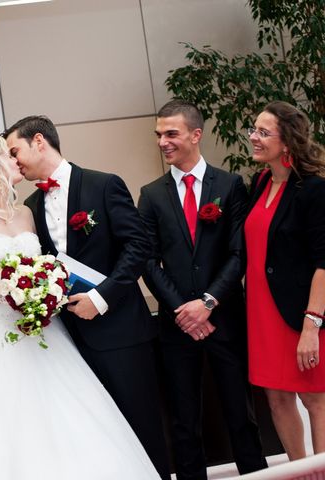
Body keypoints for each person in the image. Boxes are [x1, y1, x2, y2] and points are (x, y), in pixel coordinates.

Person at [0, 133, 160, 479]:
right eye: (8, 156)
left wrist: (42, 289)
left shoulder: (25, 213)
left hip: (43, 335)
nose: (16, 161)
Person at [4, 116, 170, 479]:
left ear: (39, 141)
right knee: (100, 442)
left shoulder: (103, 184)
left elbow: (139, 246)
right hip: (71, 344)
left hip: (122, 334)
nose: (14, 163)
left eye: (15, 152)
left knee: (142, 430)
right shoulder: (30, 206)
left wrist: (102, 296)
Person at [137, 100, 267, 479]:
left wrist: (208, 302)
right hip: (178, 327)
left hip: (224, 318)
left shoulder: (230, 186)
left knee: (241, 416)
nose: (163, 141)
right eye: (159, 135)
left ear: (196, 134)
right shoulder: (151, 193)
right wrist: (184, 310)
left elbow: (239, 253)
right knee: (183, 421)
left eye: (171, 133)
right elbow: (147, 260)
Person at [245, 101, 325, 460]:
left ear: (287, 142)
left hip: (301, 313)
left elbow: (324, 263)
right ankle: (301, 471)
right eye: (254, 129)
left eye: (263, 132)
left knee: (314, 398)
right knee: (277, 398)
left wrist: (312, 325)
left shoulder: (313, 190)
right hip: (262, 313)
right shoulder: (260, 182)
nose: (253, 137)